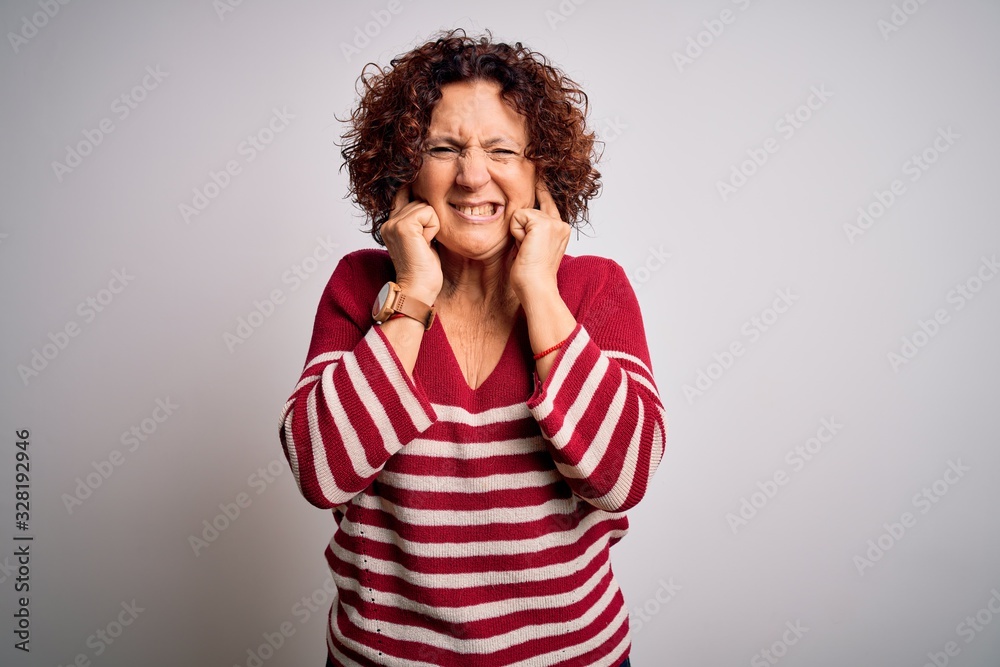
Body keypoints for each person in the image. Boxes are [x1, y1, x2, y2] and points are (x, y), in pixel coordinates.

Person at [278, 28, 666, 667]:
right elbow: (322, 471)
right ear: (406, 168)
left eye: (502, 149)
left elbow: (621, 477)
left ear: (542, 171)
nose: (472, 175)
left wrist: (540, 288)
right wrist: (413, 293)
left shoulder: (595, 289)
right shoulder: (360, 285)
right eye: (443, 147)